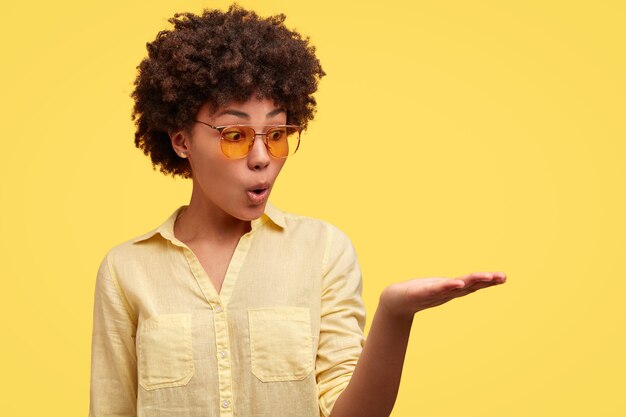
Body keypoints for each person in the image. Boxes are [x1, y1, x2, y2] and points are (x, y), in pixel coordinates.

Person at [88, 4, 506, 417]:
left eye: (276, 134)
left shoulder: (323, 251)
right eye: (235, 134)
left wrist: (395, 315)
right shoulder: (127, 270)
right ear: (181, 141)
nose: (260, 157)